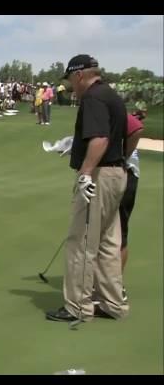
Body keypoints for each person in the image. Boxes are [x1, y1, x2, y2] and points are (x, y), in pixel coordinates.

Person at [46, 55, 128, 323]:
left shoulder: (92, 97)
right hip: (117, 173)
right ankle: (113, 303)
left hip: (99, 176)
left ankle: (79, 307)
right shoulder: (111, 95)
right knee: (108, 242)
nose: (71, 85)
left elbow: (100, 138)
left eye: (70, 79)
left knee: (81, 242)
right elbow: (127, 131)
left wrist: (85, 173)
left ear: (79, 75)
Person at [118, 108, 146, 300]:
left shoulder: (109, 108)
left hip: (125, 176)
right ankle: (108, 284)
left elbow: (136, 128)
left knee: (118, 233)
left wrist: (122, 158)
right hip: (116, 175)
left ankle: (116, 286)